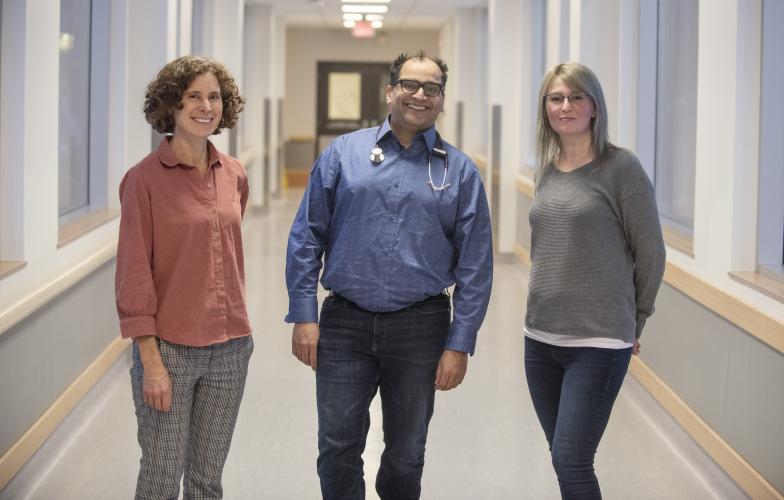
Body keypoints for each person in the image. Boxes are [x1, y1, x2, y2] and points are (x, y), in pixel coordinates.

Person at [285, 50, 493, 500]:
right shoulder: (344, 153)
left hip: (421, 326)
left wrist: (460, 343)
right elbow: (307, 236)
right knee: (337, 446)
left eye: (431, 88)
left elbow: (476, 266)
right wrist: (304, 314)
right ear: (391, 90)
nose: (420, 95)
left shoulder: (458, 172)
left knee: (406, 451)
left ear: (441, 99)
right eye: (410, 85)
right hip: (344, 323)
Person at [524, 61, 666, 499]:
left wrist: (634, 320)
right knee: (561, 454)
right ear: (546, 107)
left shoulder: (621, 169)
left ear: (594, 107)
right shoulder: (546, 170)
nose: (565, 106)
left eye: (575, 97)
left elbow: (651, 254)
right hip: (540, 339)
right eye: (556, 98)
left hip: (598, 343)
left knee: (571, 458)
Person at [115, 55, 252, 500]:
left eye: (214, 96)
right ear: (171, 105)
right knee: (160, 476)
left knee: (206, 480)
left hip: (230, 348)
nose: (205, 106)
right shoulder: (143, 181)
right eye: (193, 96)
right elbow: (134, 273)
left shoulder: (233, 174)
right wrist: (150, 362)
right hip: (169, 351)